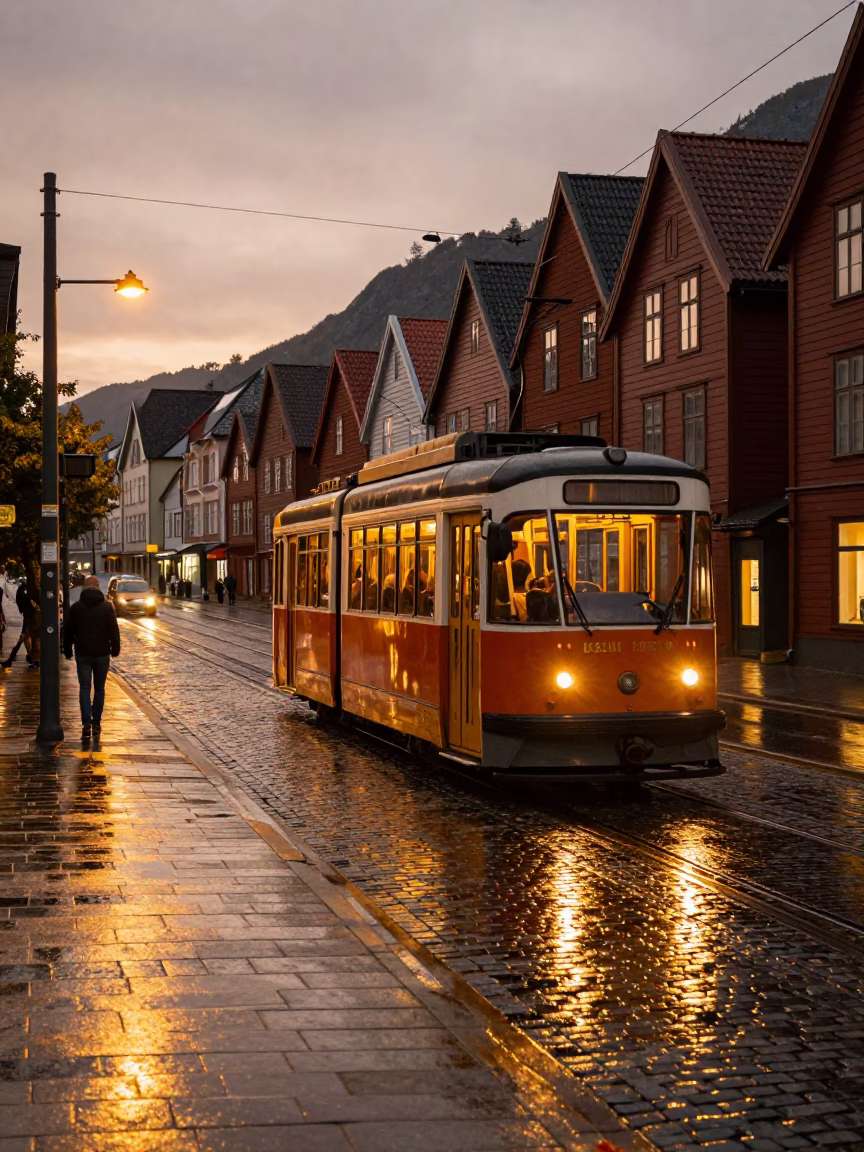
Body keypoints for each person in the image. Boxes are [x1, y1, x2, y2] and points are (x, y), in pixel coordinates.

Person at [63, 574, 120, 742]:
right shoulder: (107, 607)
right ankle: (96, 722)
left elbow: (68, 632)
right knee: (100, 688)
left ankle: (86, 724)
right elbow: (113, 630)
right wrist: (115, 648)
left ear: (84, 588)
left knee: (85, 688)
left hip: (83, 653)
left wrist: (67, 650)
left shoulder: (76, 608)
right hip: (102, 653)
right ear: (97, 587)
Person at [2, 579, 38, 669]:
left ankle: (30, 658)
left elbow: (19, 602)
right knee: (25, 637)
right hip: (31, 617)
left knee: (26, 637)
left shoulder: (24, 589)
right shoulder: (30, 589)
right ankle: (31, 658)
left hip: (31, 617)